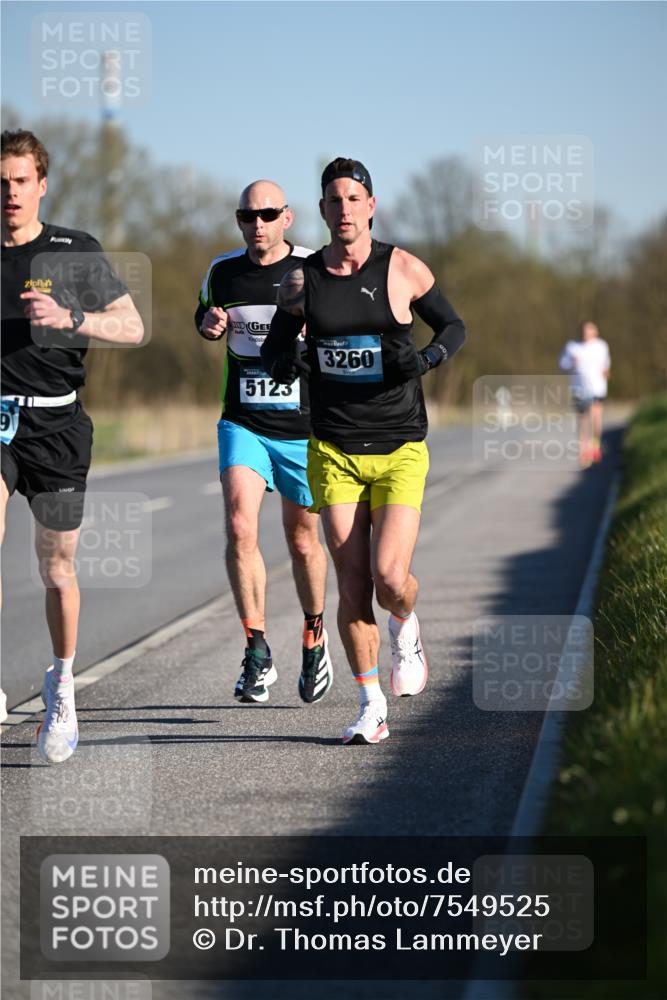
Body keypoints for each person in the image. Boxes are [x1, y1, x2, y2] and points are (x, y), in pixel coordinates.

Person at [261, 158, 466, 744]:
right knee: (351, 583)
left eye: (355, 198)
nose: (345, 209)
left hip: (400, 445)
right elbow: (277, 348)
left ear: (371, 205)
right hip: (334, 447)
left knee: (387, 576)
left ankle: (405, 622)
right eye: (334, 200)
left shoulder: (401, 267)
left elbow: (453, 326)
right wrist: (287, 360)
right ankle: (370, 703)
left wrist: (425, 360)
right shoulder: (302, 279)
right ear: (322, 211)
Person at [1, 129, 143, 754]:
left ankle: (62, 687)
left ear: (42, 185)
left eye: (20, 181)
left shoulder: (74, 251)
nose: (10, 193)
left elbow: (134, 327)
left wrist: (72, 319)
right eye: (0, 183)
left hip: (57, 426)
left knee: (56, 567)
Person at [195, 180, 332, 705]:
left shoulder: (313, 269)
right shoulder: (222, 270)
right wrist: (208, 325)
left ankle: (314, 635)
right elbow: (205, 315)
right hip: (243, 421)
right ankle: (256, 650)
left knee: (302, 542)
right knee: (238, 524)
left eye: (268, 214)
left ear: (288, 218)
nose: (257, 225)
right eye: (247, 216)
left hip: (302, 429)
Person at [559, 321, 611, 467]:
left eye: (590, 330)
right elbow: (562, 365)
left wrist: (606, 371)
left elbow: (606, 364)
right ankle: (584, 450)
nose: (586, 333)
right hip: (579, 389)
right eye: (584, 330)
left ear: (595, 332)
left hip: (597, 388)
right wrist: (571, 362)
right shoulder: (572, 347)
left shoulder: (601, 346)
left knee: (596, 417)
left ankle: (595, 445)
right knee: (583, 420)